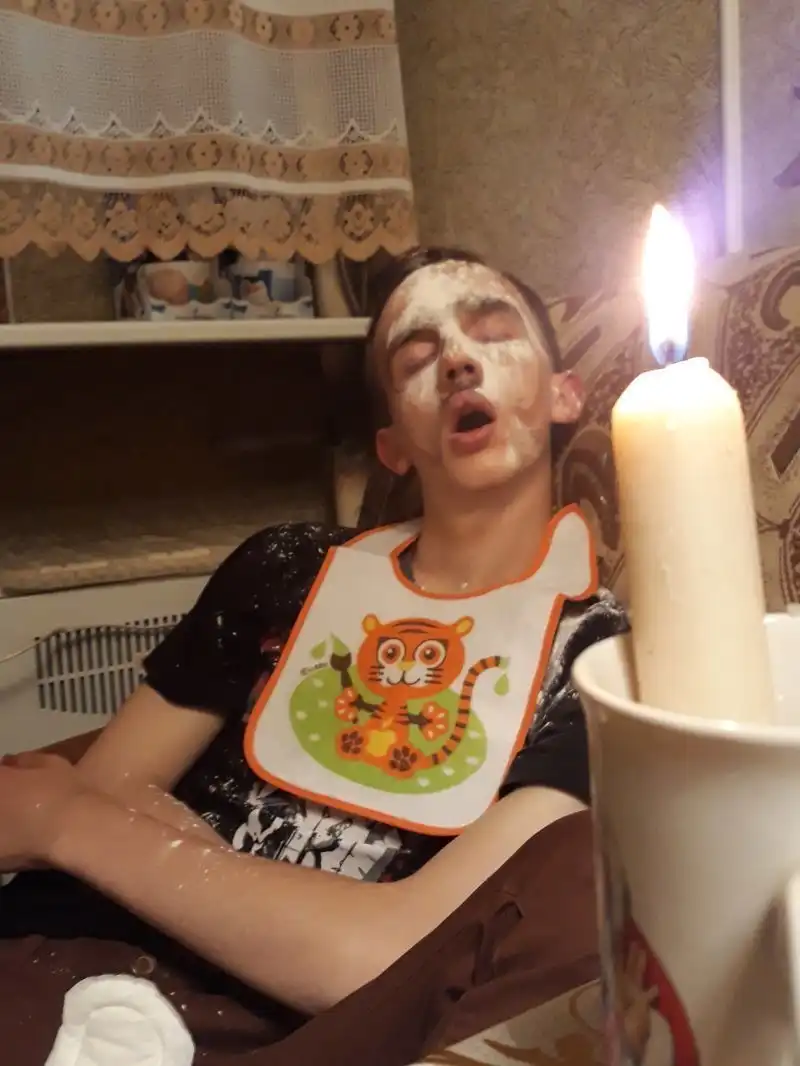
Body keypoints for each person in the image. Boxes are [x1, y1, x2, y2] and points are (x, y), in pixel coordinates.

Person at [0, 247, 628, 1048]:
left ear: (566, 394)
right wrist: (225, 889)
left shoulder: (599, 660)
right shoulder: (284, 566)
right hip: (68, 939)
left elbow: (396, 952)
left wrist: (64, 821)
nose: (458, 362)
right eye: (417, 358)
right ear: (392, 444)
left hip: (280, 1029)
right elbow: (113, 779)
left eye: (493, 333)